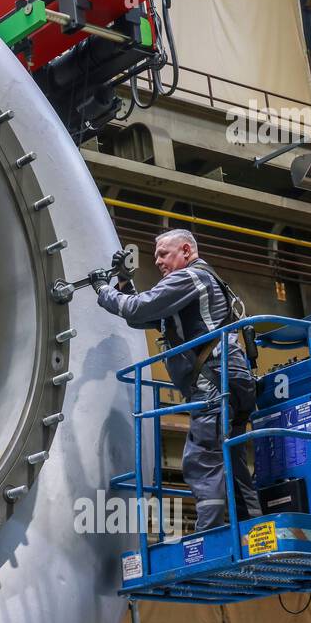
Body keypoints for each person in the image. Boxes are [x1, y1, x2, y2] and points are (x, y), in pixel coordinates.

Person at [94, 229, 262, 534]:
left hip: (214, 383)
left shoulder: (189, 278)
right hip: (230, 379)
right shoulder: (192, 286)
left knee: (201, 459)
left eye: (163, 254)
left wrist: (103, 290)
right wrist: (122, 280)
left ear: (186, 250)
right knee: (231, 460)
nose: (157, 261)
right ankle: (255, 533)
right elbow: (141, 316)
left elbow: (138, 307)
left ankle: (208, 539)